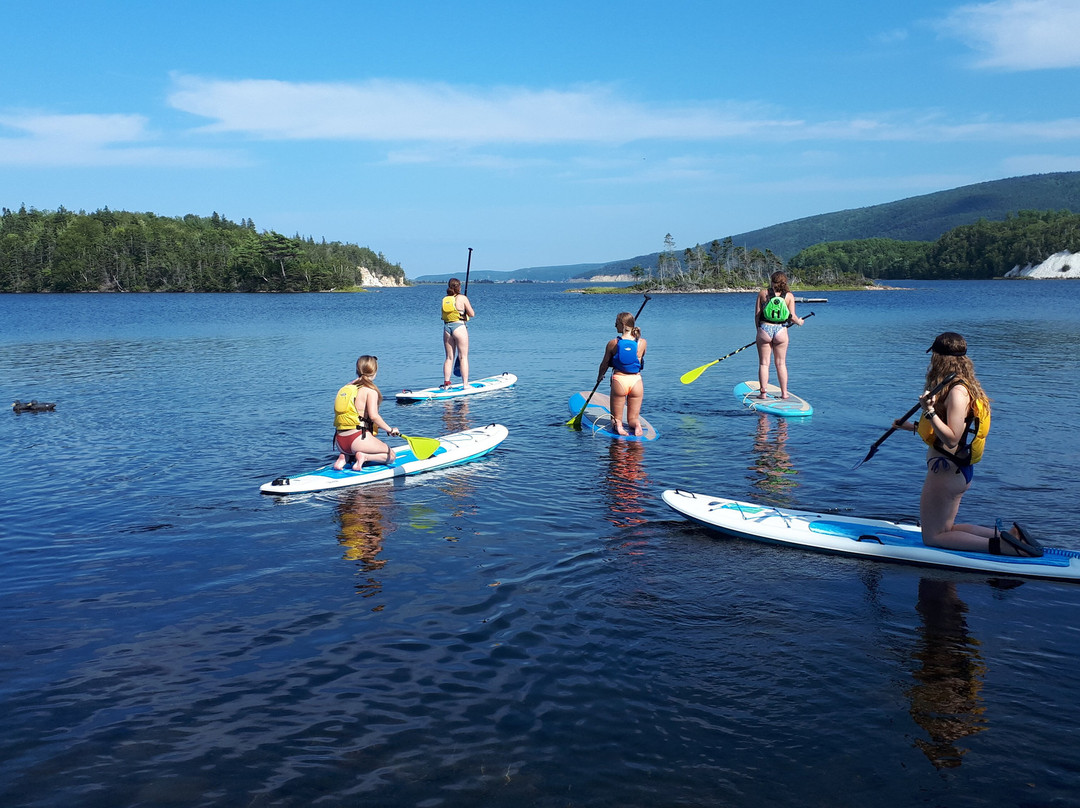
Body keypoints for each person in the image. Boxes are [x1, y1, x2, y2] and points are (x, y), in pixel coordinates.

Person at [894, 332, 1042, 556]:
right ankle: (1008, 536)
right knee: (947, 529)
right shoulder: (964, 386)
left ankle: (1000, 547)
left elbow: (952, 439)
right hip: (956, 471)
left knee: (933, 537)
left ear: (939, 358)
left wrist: (929, 411)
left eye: (933, 355)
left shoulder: (957, 392)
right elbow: (952, 432)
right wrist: (911, 426)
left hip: (946, 472)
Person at [332, 355, 401, 471]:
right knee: (391, 456)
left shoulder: (347, 388)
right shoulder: (370, 390)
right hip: (357, 438)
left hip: (340, 441)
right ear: (375, 371)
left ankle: (345, 457)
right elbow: (374, 416)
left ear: (357, 370)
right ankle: (364, 456)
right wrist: (390, 430)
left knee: (352, 449)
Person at [754, 271, 805, 399]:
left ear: (772, 281)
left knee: (764, 363)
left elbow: (757, 315)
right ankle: (784, 394)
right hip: (781, 331)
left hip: (764, 329)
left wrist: (759, 332)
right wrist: (799, 322)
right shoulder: (789, 296)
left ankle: (763, 394)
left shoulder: (763, 293)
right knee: (781, 363)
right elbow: (792, 316)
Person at [596, 311, 647, 436]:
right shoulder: (642, 342)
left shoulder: (613, 343)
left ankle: (618, 425)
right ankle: (637, 425)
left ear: (623, 325)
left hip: (619, 380)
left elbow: (604, 364)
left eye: (616, 323)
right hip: (636, 381)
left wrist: (599, 377)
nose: (615, 326)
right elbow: (639, 359)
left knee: (616, 418)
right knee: (633, 419)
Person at [441, 277, 476, 388]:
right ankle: (465, 384)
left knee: (449, 358)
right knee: (463, 357)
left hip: (447, 329)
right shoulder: (462, 298)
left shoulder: (446, 299)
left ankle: (446, 383)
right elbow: (472, 314)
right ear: (459, 287)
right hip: (459, 328)